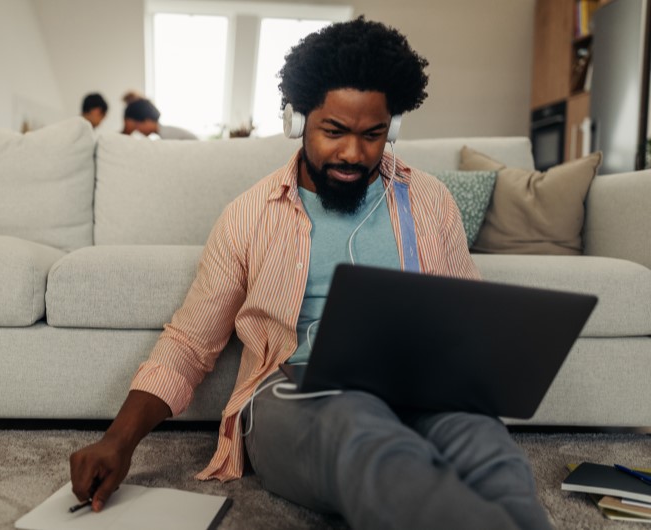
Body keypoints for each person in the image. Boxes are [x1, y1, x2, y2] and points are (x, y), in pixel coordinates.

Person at [70, 17, 551, 530]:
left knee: (487, 445)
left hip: (418, 389)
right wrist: (116, 441)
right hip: (295, 393)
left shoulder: (430, 202)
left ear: (394, 127)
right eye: (334, 131)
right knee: (363, 434)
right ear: (297, 121)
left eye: (373, 135)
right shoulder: (250, 214)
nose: (353, 153)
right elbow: (190, 343)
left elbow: (466, 319)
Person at [121, 91, 198, 140]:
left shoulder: (168, 136)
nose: (138, 130)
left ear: (147, 121)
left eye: (137, 126)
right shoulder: (165, 133)